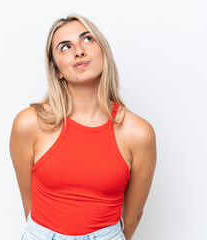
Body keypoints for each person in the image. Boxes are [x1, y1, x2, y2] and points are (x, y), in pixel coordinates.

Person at [9, 14, 157, 240]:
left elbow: (133, 216)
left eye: (87, 39)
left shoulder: (138, 133)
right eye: (65, 47)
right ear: (57, 69)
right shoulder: (29, 124)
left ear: (103, 52)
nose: (79, 51)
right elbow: (29, 206)